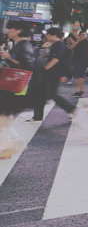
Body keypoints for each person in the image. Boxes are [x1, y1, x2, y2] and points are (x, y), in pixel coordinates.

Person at [0, 23, 45, 158]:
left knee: (2, 112)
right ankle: (7, 145)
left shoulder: (23, 45)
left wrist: (9, 57)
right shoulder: (22, 44)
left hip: (16, 85)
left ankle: (14, 140)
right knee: (6, 113)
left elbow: (27, 65)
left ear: (18, 30)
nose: (8, 31)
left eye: (11, 28)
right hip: (14, 85)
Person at [28, 27, 76, 122]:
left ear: (54, 35)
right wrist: (44, 48)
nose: (46, 36)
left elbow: (55, 60)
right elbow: (47, 57)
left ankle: (71, 108)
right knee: (41, 93)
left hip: (53, 74)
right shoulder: (55, 45)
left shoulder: (58, 45)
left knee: (52, 94)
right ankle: (37, 116)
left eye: (48, 34)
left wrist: (43, 70)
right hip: (51, 73)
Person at [69, 31, 88, 98]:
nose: (83, 36)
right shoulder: (78, 42)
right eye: (82, 35)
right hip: (76, 60)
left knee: (80, 76)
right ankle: (79, 90)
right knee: (78, 76)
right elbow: (71, 48)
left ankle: (80, 90)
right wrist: (78, 41)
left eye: (85, 35)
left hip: (84, 61)